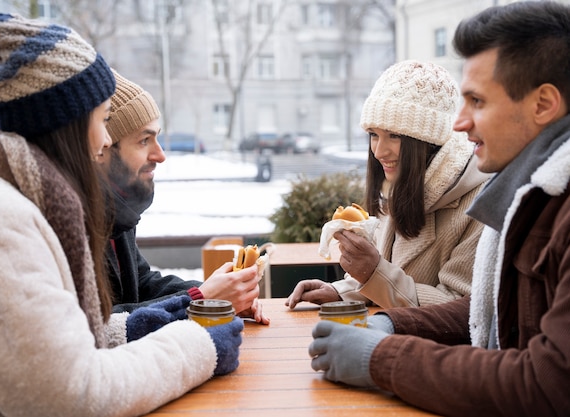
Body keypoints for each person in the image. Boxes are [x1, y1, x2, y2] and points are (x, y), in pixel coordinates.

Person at [0, 13, 242, 417]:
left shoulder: (14, 205)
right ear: (67, 124)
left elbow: (68, 345)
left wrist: (157, 320)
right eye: (103, 119)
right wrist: (200, 343)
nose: (104, 141)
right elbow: (75, 396)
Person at [308, 2, 570, 415]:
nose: (459, 124)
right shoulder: (529, 196)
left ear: (543, 105)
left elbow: (547, 384)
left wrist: (382, 357)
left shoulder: (547, 209)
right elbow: (482, 311)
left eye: (477, 102)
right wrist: (388, 321)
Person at [287, 60, 490, 309]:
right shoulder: (399, 181)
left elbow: (458, 309)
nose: (379, 151)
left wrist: (372, 271)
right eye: (374, 134)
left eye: (394, 135)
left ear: (428, 140)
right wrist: (340, 291)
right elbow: (389, 278)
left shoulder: (481, 202)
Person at [98, 70, 269, 323]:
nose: (160, 154)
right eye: (144, 140)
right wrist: (200, 299)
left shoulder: (116, 209)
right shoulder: (69, 221)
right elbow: (97, 325)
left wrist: (220, 297)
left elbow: (142, 283)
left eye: (157, 137)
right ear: (102, 148)